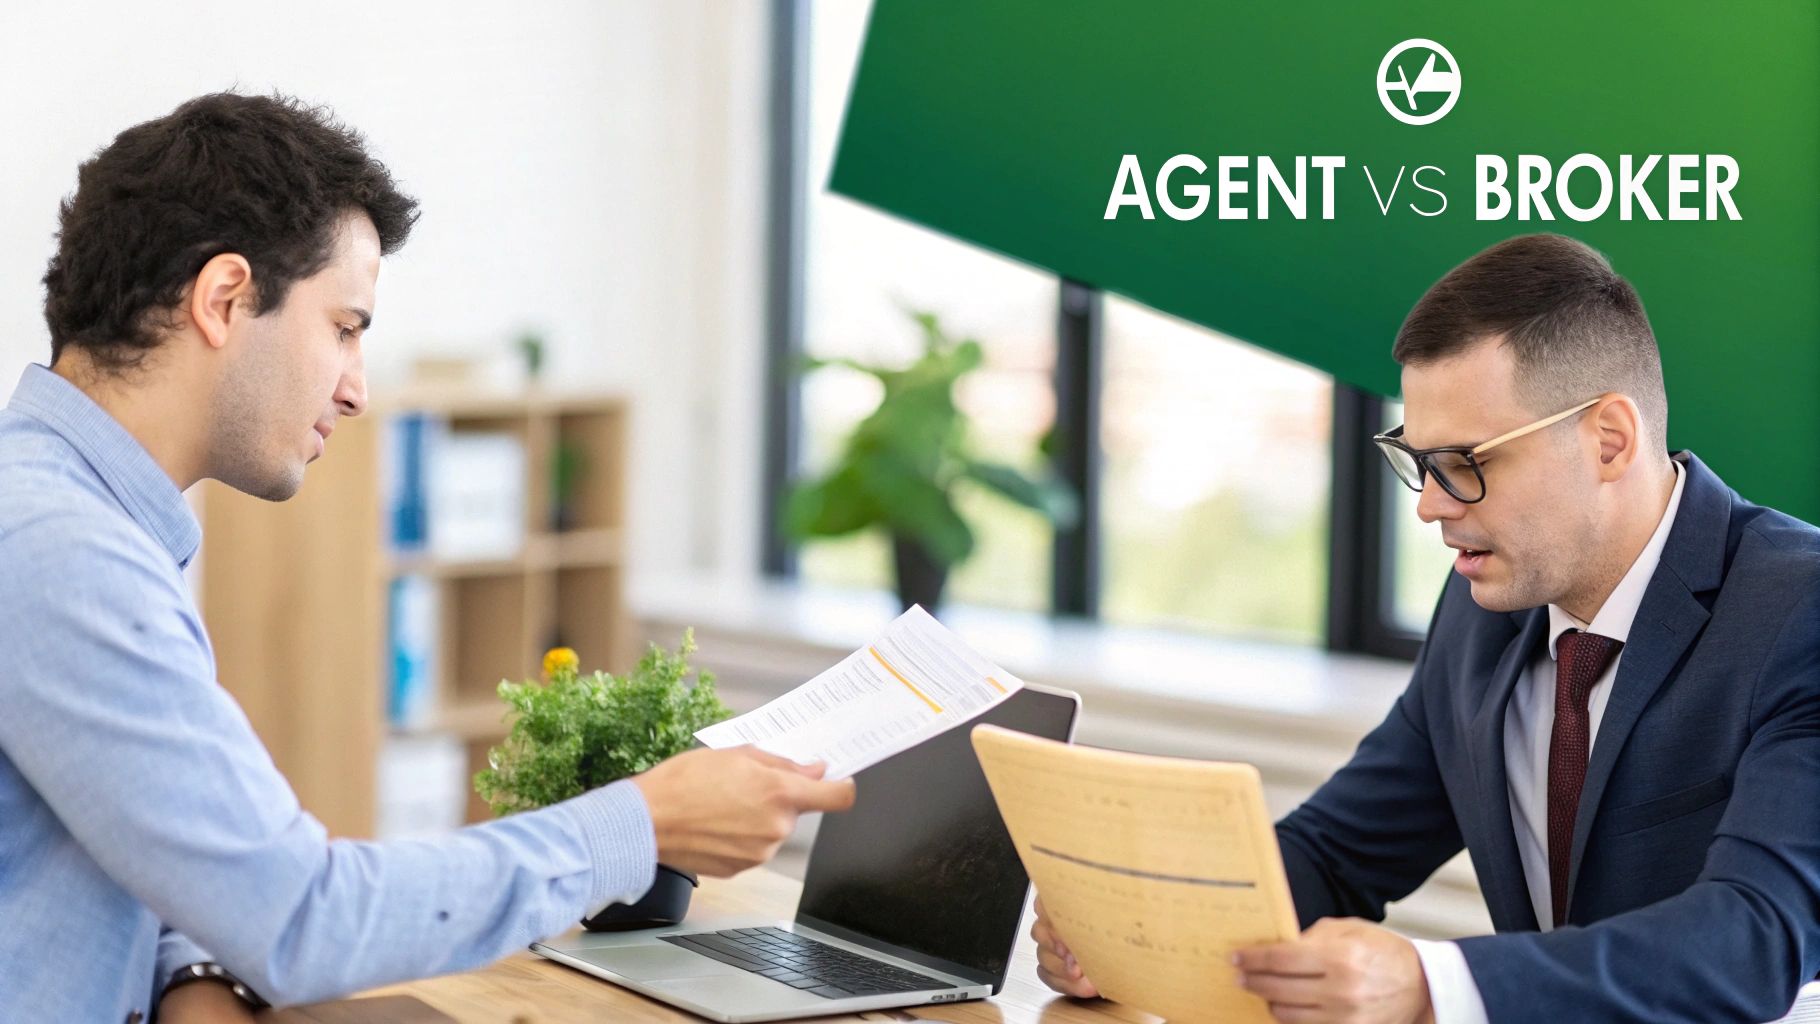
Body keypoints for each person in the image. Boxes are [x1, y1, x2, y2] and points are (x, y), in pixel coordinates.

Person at [0, 92, 855, 1023]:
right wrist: (644, 822)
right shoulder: (58, 549)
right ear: (224, 299)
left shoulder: (68, 516)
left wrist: (195, 973)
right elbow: (300, 916)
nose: (357, 387)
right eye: (346, 326)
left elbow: (147, 842)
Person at [1032, 234, 1820, 1024]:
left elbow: (1752, 941)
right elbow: (1339, 851)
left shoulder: (1799, 611)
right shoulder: (1488, 610)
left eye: (1466, 462)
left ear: (1608, 440)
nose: (1432, 505)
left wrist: (1427, 985)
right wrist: (1140, 927)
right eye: (1419, 462)